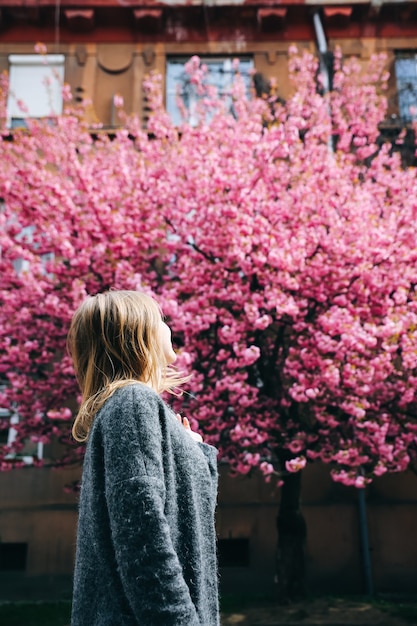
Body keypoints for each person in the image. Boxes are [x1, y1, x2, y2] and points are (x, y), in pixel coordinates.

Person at [67, 290, 219, 626]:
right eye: (161, 320)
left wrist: (194, 453)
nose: (169, 327)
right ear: (138, 334)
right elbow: (143, 540)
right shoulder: (132, 404)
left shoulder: (135, 409)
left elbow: (187, 519)